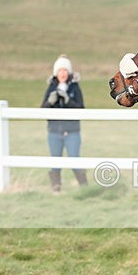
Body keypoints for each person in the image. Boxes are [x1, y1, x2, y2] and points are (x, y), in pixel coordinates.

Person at [41, 54, 87, 192]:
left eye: (65, 70)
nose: (63, 73)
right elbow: (42, 110)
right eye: (60, 70)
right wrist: (50, 101)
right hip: (54, 132)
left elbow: (81, 109)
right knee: (55, 162)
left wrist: (68, 101)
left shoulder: (75, 88)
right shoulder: (51, 88)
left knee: (74, 161)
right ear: (56, 72)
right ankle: (56, 188)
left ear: (69, 72)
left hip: (72, 131)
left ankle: (84, 188)